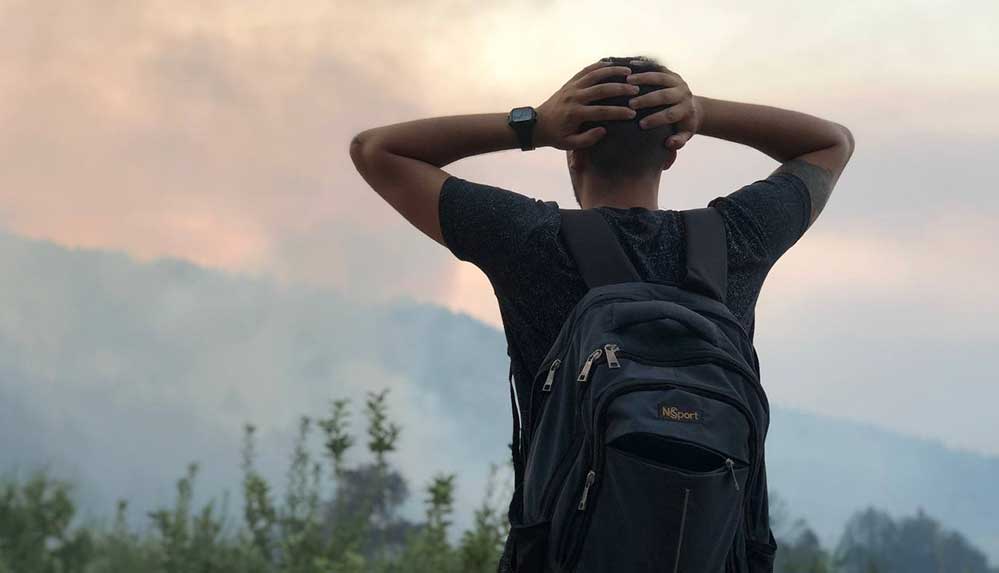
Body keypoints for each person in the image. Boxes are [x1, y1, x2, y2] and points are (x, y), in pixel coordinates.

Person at [349, 55, 854, 572]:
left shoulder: (531, 241)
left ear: (572, 152)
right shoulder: (735, 239)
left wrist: (532, 125)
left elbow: (375, 149)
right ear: (672, 153)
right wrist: (700, 111)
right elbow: (831, 142)